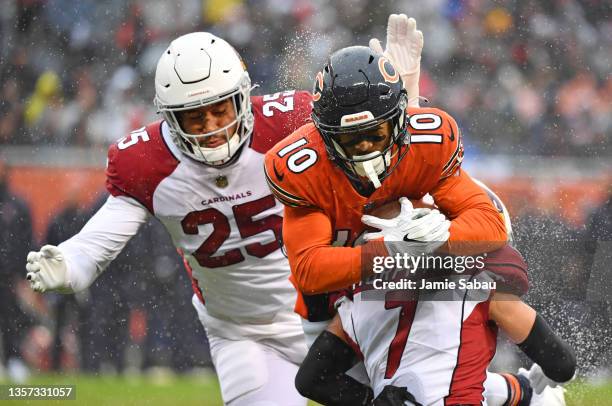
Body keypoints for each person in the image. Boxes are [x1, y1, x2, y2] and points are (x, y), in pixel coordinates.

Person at [263, 36, 574, 404]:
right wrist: (395, 250)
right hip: (337, 299)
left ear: (398, 120)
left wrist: (434, 242)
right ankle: (518, 393)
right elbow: (310, 271)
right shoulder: (303, 169)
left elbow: (489, 223)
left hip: (416, 279)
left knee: (434, 369)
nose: (366, 149)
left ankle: (517, 392)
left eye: (374, 134)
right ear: (326, 137)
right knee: (370, 380)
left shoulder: (425, 143)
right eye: (351, 140)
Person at [25, 32, 314, 405]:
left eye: (220, 110)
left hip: (324, 309)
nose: (212, 127)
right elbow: (98, 242)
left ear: (243, 96)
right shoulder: (149, 164)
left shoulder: (289, 124)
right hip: (241, 333)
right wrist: (69, 264)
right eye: (195, 117)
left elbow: (380, 161)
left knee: (398, 391)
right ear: (170, 118)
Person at [0, 159, 33, 382]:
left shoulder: (17, 205)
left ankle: (13, 361)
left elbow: (26, 242)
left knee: (11, 320)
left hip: (7, 278)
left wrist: (24, 275)